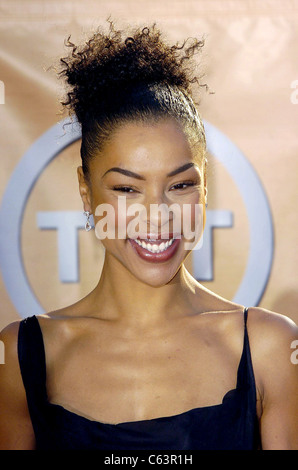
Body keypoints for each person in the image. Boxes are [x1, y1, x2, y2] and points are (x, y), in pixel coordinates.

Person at [0, 22, 297, 451]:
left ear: (205, 187)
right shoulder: (19, 357)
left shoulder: (271, 349)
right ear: (86, 192)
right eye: (126, 189)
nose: (157, 216)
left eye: (180, 185)